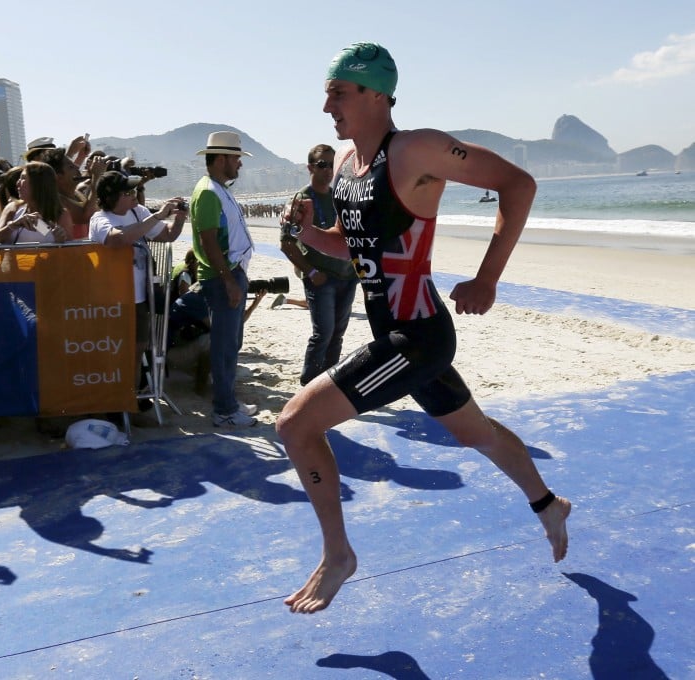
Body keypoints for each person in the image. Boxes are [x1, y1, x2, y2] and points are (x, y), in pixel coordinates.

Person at [275, 42, 571, 614]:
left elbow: (519, 184)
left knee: (295, 425)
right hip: (397, 335)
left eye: (338, 92)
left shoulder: (418, 150)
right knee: (475, 433)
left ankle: (338, 555)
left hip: (417, 336)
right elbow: (358, 247)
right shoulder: (344, 167)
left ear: (376, 94)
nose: (326, 106)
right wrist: (312, 235)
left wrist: (486, 279)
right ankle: (547, 504)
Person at [89, 170, 187, 404]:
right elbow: (118, 239)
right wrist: (157, 216)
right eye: (128, 191)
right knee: (112, 353)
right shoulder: (100, 219)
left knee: (136, 351)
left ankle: (130, 401)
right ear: (112, 196)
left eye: (135, 190)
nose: (134, 194)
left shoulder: (138, 211)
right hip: (111, 298)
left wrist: (180, 217)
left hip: (139, 296)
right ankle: (112, 402)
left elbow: (168, 236)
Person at [189, 131, 259, 427]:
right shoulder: (208, 192)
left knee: (232, 342)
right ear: (221, 159)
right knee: (225, 344)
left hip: (230, 274)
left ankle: (228, 402)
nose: (239, 165)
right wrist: (228, 279)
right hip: (223, 278)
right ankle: (225, 410)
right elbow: (208, 242)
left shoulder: (217, 188)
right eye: (236, 159)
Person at [280, 144, 359, 385]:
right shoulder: (302, 200)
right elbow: (286, 243)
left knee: (337, 335)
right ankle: (309, 383)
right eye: (322, 164)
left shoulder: (340, 196)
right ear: (310, 167)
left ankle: (328, 385)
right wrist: (311, 272)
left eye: (331, 165)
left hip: (347, 276)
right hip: (321, 278)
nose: (328, 170)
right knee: (323, 334)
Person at [0, 161, 70, 244]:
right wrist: (13, 225)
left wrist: (59, 242)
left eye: (23, 178)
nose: (17, 183)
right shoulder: (13, 208)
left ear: (38, 184)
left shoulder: (60, 215)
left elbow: (72, 252)